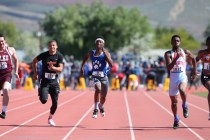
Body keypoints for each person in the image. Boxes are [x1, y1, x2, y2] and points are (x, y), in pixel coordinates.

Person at [164, 35, 197, 129]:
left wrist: (194, 71)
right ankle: (176, 119)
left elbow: (194, 59)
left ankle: (184, 105)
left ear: (180, 42)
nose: (176, 42)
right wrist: (176, 58)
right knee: (174, 103)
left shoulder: (185, 52)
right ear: (171, 42)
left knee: (182, 89)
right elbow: (169, 67)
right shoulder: (168, 54)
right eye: (174, 41)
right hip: (173, 79)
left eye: (178, 41)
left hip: (182, 76)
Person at [80, 36, 113, 119]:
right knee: (98, 89)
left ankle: (101, 106)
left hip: (104, 77)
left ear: (103, 44)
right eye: (97, 42)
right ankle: (95, 109)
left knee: (104, 97)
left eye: (100, 42)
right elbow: (85, 57)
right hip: (95, 75)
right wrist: (82, 66)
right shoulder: (92, 53)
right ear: (95, 44)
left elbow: (112, 65)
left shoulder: (106, 53)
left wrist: (106, 56)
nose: (98, 43)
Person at [32, 40, 64, 126]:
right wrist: (35, 73)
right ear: (48, 47)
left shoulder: (59, 56)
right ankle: (41, 90)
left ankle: (50, 118)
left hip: (54, 82)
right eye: (50, 46)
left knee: (55, 103)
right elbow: (34, 61)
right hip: (45, 81)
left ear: (56, 46)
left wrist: (53, 68)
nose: (52, 47)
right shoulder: (44, 55)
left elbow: (60, 69)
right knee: (43, 100)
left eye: (54, 46)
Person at [0, 34, 19, 119]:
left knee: (5, 89)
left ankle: (4, 111)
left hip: (7, 74)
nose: (1, 43)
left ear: (5, 41)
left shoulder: (10, 50)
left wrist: (16, 71)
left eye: (2, 41)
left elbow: (16, 60)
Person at [196, 36, 210, 120]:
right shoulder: (202, 52)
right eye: (209, 43)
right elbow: (195, 60)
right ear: (207, 44)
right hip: (205, 76)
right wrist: (194, 70)